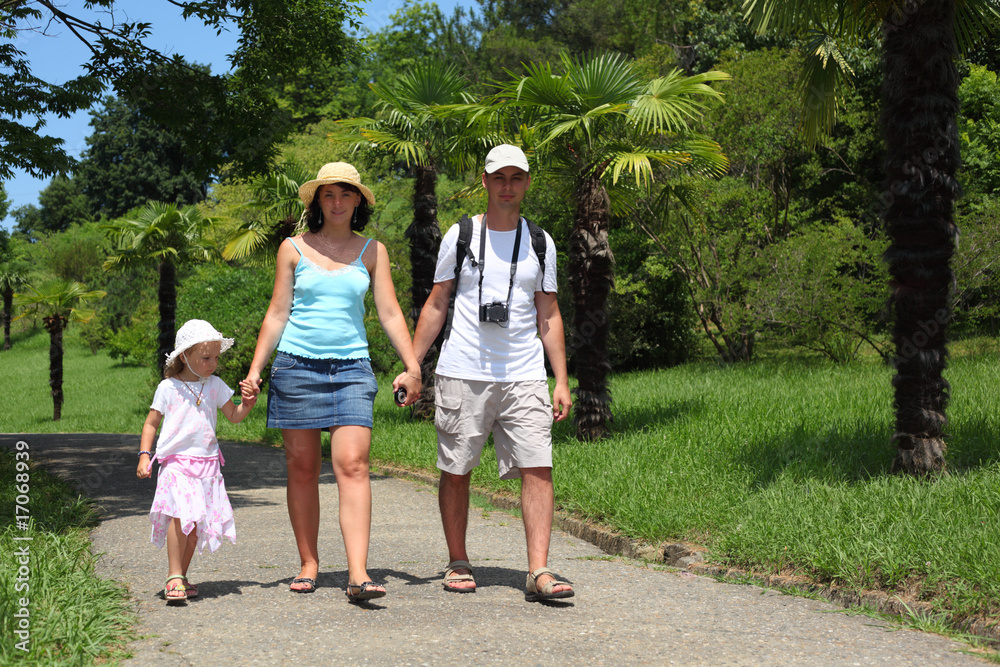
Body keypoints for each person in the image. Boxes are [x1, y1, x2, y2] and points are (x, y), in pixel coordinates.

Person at [240, 162, 422, 602]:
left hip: (352, 371)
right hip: (296, 369)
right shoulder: (293, 249)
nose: (337, 202)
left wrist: (413, 367)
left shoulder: (372, 251)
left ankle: (358, 573)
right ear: (317, 201)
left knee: (353, 465)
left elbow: (391, 313)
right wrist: (254, 369)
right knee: (302, 469)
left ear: (358, 200)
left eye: (346, 194)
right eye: (329, 194)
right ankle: (309, 563)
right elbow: (277, 313)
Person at [412, 144, 575, 602]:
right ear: (484, 181)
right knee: (457, 468)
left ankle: (539, 570)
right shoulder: (459, 235)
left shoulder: (541, 242)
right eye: (499, 177)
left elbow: (550, 314)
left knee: (538, 467)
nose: (507, 186)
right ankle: (458, 560)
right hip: (463, 370)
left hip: (524, 372)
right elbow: (437, 302)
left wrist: (560, 379)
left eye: (516, 177)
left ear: (526, 182)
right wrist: (412, 365)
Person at [136, 319, 256, 603]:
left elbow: (234, 416)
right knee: (180, 519)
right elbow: (151, 423)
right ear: (184, 356)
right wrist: (144, 455)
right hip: (176, 464)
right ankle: (174, 575)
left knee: (194, 528)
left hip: (207, 465)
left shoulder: (214, 385)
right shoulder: (168, 388)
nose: (212, 363)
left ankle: (180, 576)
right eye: (205, 357)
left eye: (216, 357)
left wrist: (247, 404)